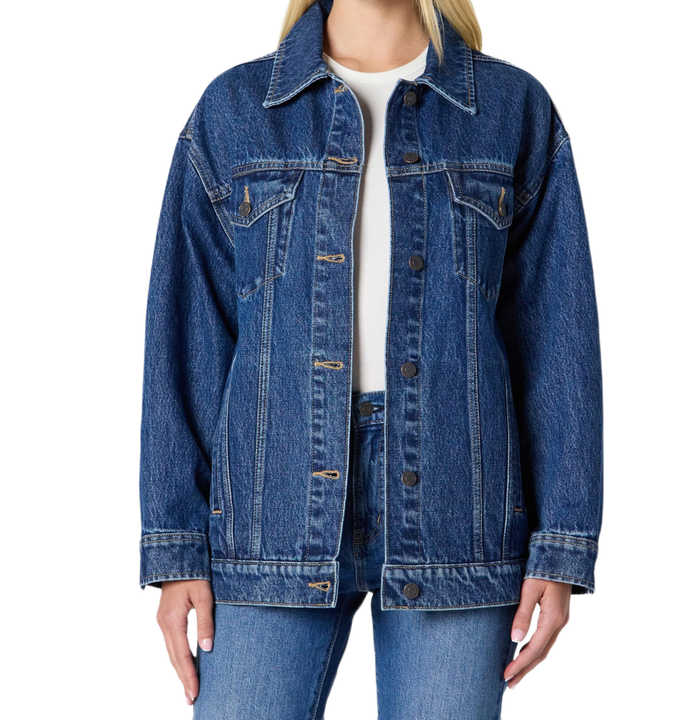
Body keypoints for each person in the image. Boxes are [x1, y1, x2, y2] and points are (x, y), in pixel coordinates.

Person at [138, 0, 603, 717]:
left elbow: (555, 339)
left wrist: (561, 547)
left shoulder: (511, 109)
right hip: (268, 508)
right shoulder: (236, 109)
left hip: (458, 508)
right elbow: (186, 334)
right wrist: (175, 550)